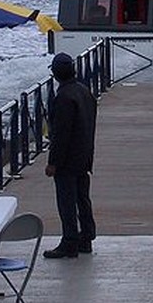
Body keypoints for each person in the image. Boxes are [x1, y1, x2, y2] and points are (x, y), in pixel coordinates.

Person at [44, 53, 97, 258]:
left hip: (67, 160)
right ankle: (86, 238)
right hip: (84, 155)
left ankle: (69, 242)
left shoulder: (64, 97)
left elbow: (61, 134)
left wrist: (53, 163)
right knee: (83, 199)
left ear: (56, 74)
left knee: (66, 202)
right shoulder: (84, 91)